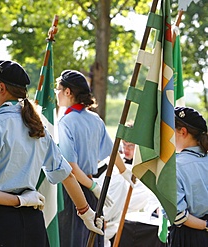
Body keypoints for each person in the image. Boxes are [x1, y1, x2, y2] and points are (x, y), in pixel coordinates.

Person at [0, 60, 103, 247]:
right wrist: (86, 212)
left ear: (1, 88)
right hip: (32, 222)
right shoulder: (38, 127)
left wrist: (18, 200)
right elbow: (66, 174)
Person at [55, 70, 134, 247]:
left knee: (72, 241)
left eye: (58, 88)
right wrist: (123, 171)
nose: (56, 93)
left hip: (72, 194)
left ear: (68, 92)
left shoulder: (65, 122)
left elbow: (71, 168)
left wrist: (93, 186)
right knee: (91, 241)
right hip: (92, 193)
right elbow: (111, 151)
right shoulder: (95, 118)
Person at [168, 106, 208, 246]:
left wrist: (205, 225)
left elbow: (178, 216)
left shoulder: (175, 166)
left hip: (188, 237)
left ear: (183, 132)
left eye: (169, 129)